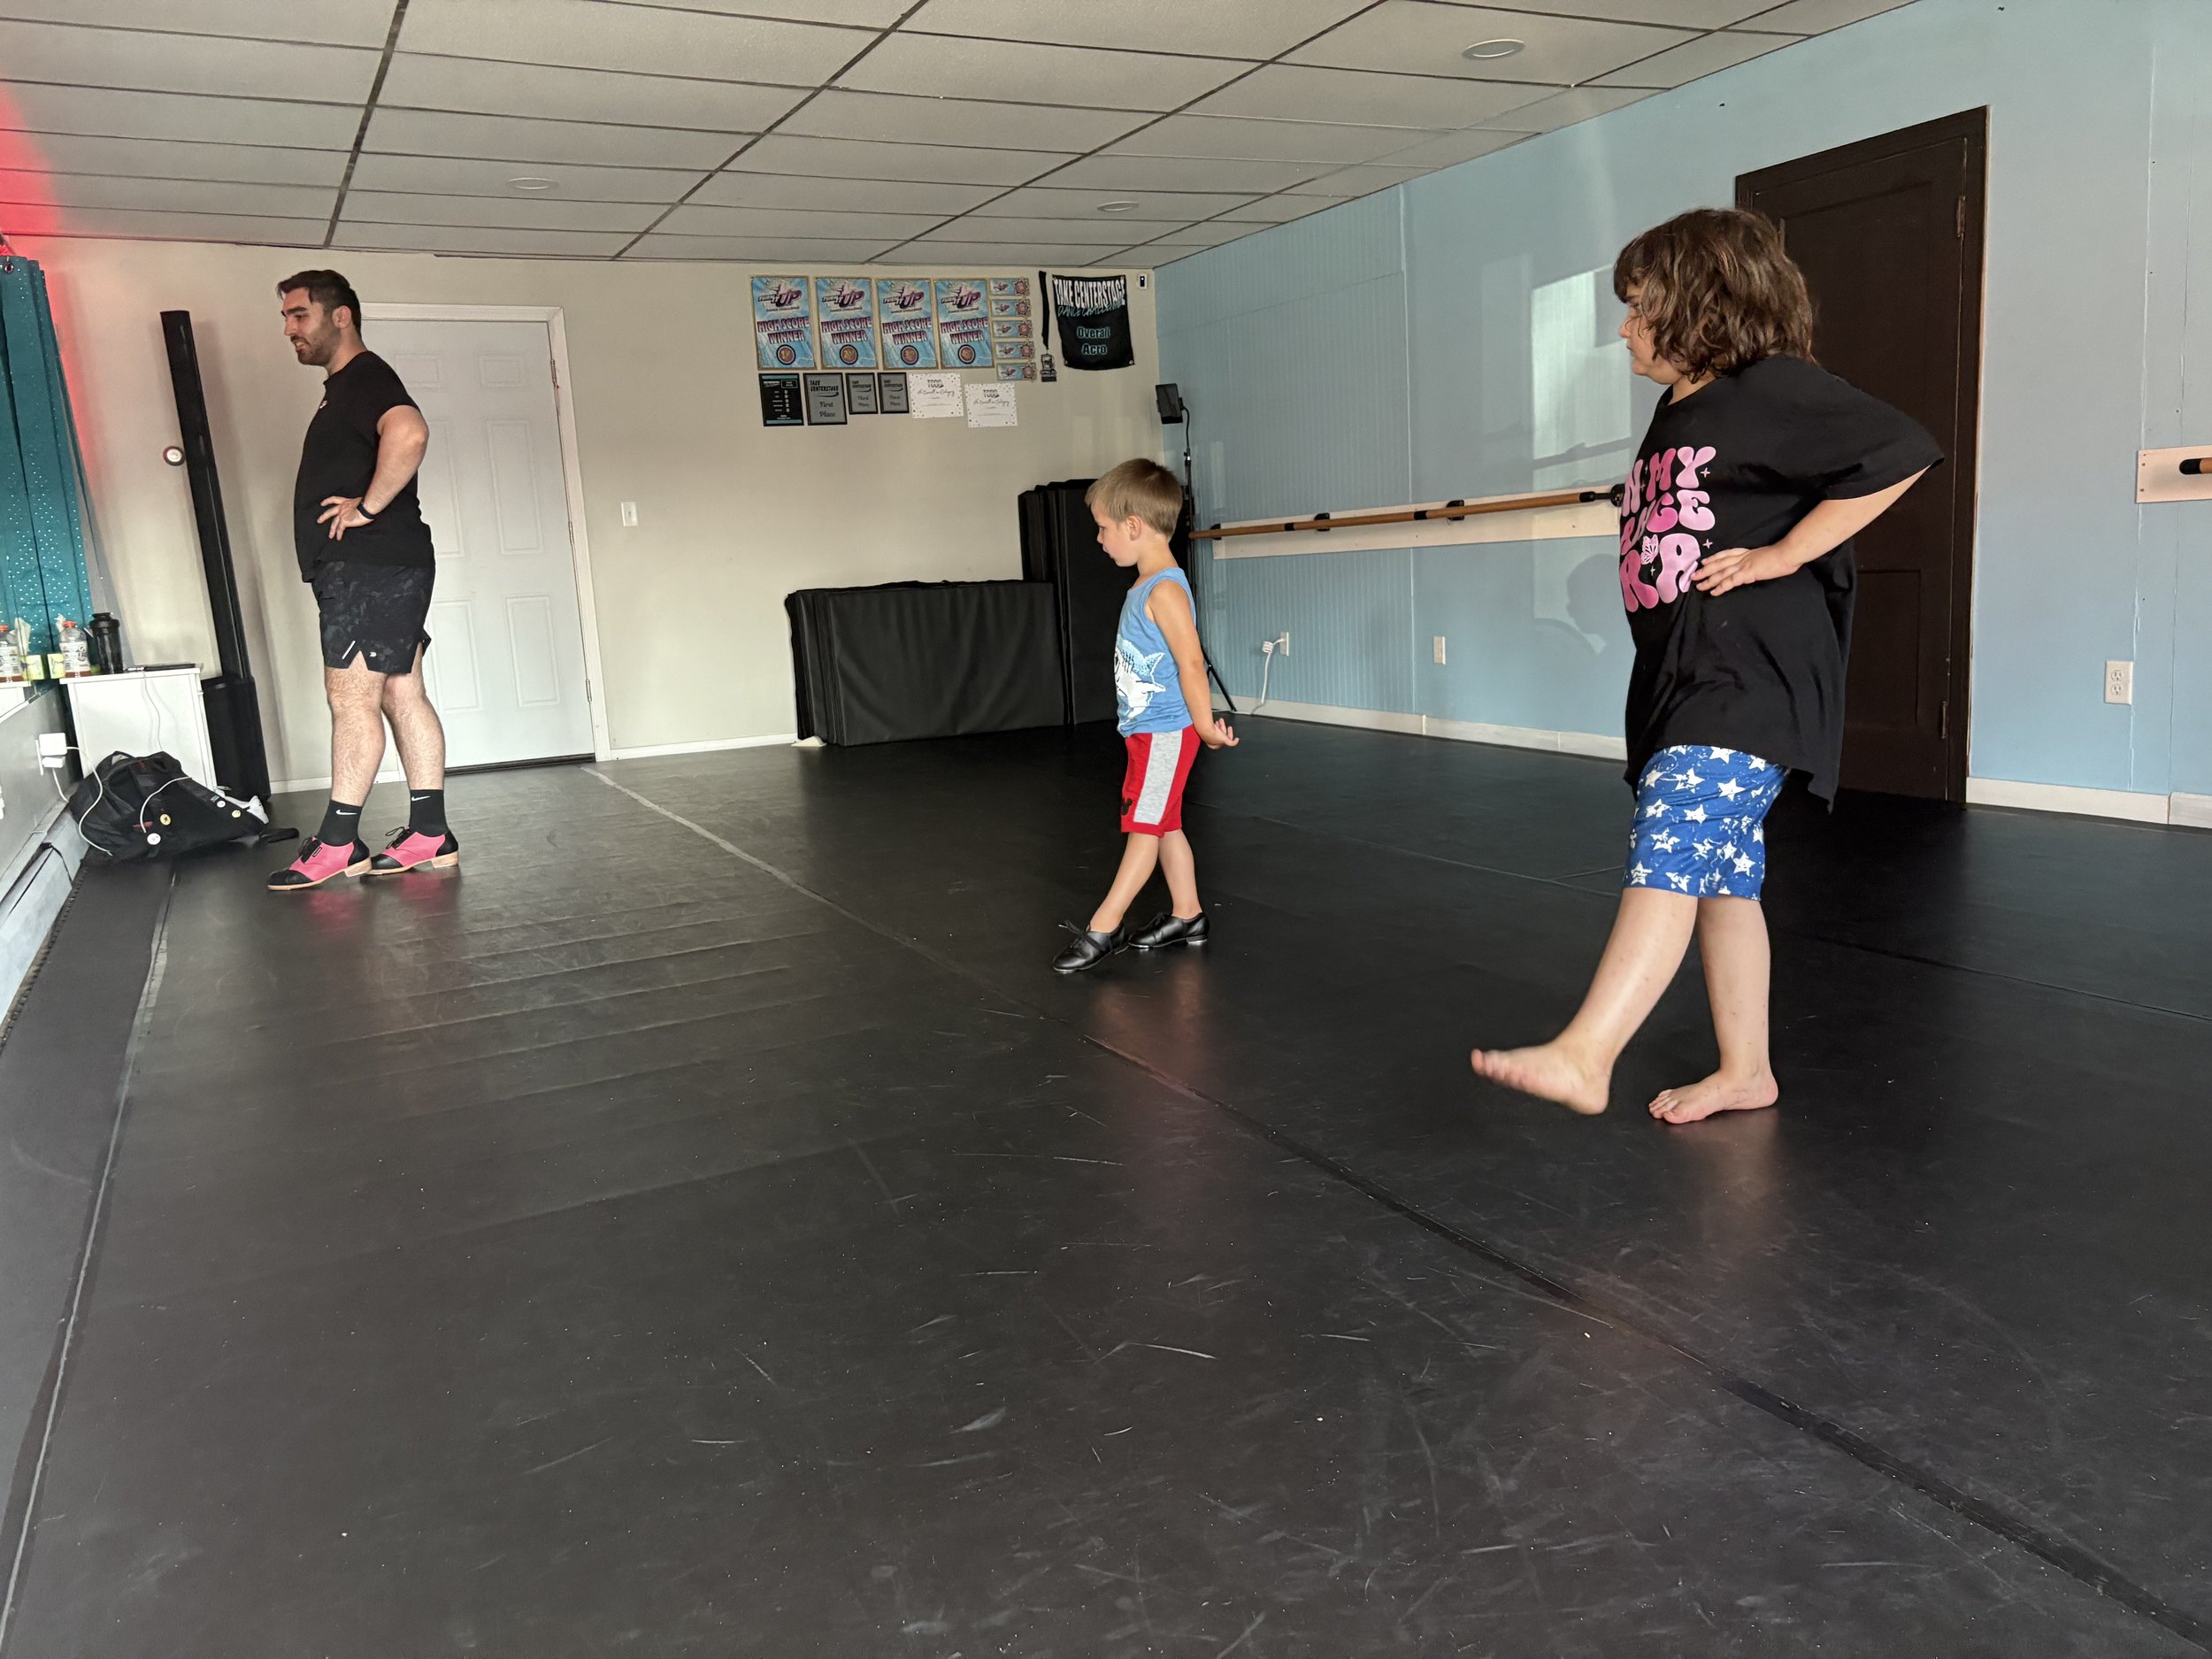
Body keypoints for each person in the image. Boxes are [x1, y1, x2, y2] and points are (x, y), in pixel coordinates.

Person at [1471, 208, 1939, 1123]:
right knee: (1723, 882)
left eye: (1638, 306)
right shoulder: (1681, 405)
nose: (1622, 328)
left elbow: (1902, 452)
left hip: (1749, 676)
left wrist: (1785, 553)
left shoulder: (1771, 387)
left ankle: (1586, 1052)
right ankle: (1745, 1070)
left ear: (1698, 306)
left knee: (1676, 843)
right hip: (1684, 675)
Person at [266, 270, 461, 892]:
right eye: (287, 319)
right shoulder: (346, 388)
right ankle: (429, 832)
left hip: (372, 564)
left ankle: (339, 841)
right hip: (382, 566)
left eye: (300, 315)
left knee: (349, 698)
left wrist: (367, 509)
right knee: (400, 692)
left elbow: (410, 432)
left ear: (341, 315)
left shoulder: (365, 378)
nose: (290, 330)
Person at [1052, 458, 1238, 973]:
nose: (1099, 539)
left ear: (1133, 526)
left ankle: (1103, 927)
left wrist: (1203, 726)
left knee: (1144, 830)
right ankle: (1188, 914)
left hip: (1165, 736)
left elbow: (1192, 663)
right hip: (1147, 734)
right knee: (1165, 823)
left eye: (1104, 529)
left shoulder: (1165, 590)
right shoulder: (1146, 585)